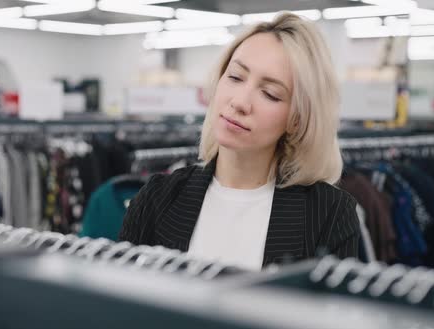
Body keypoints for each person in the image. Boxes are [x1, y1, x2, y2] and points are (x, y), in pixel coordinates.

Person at [118, 12, 360, 271]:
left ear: (297, 120)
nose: (240, 102)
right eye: (234, 77)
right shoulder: (157, 198)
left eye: (270, 94)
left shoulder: (329, 214)